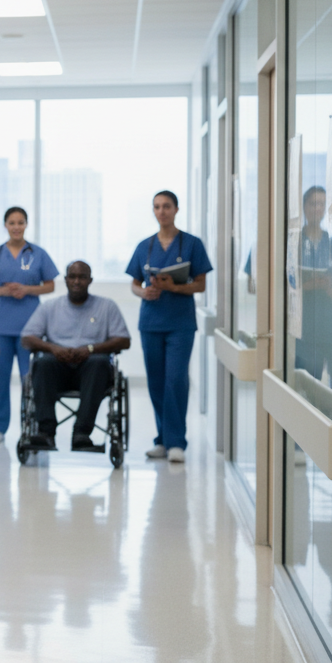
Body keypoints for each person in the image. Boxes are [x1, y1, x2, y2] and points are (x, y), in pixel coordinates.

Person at [126, 190, 212, 464]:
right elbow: (134, 283)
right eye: (157, 207)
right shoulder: (145, 246)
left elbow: (201, 284)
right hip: (151, 322)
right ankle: (162, 440)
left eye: (166, 206)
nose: (161, 211)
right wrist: (144, 292)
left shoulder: (192, 244)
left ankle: (176, 442)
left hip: (180, 323)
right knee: (156, 381)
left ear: (176, 209)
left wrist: (175, 287)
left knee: (176, 380)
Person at [20, 261, 132, 451]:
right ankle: (45, 432)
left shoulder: (106, 306)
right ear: (65, 280)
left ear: (90, 280)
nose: (77, 281)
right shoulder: (50, 307)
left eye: (82, 277)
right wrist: (53, 348)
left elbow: (123, 340)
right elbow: (27, 338)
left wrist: (90, 349)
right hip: (57, 368)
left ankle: (82, 433)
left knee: (99, 362)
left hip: (91, 370)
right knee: (43, 362)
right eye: (72, 277)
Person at [0, 206, 58, 444]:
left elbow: (50, 285)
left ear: (26, 225)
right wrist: (4, 291)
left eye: (20, 222)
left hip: (30, 329)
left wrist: (26, 289)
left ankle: (32, 423)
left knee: (32, 380)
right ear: (5, 225)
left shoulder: (38, 254)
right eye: (12, 223)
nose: (16, 227)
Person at [296, 186, 332, 382]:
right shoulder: (295, 242)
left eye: (322, 204)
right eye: (314, 203)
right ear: (304, 206)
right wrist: (310, 285)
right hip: (305, 329)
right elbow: (284, 285)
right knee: (307, 384)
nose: (318, 208)